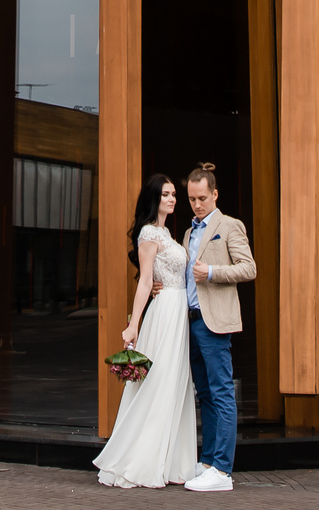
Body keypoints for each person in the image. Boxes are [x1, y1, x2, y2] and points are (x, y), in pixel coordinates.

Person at [92, 174, 198, 489]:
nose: (172, 199)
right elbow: (145, 280)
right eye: (166, 194)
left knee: (175, 384)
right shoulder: (149, 233)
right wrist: (133, 323)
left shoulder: (166, 232)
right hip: (165, 313)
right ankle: (141, 459)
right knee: (160, 384)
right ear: (154, 198)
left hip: (177, 312)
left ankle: (170, 462)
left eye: (174, 194)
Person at [180, 162, 253, 493]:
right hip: (190, 321)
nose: (197, 205)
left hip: (215, 323)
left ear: (215, 195)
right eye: (192, 199)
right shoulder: (188, 231)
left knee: (222, 392)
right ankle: (207, 461)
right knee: (205, 394)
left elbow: (248, 269)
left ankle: (222, 470)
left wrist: (210, 272)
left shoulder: (229, 225)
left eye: (202, 199)